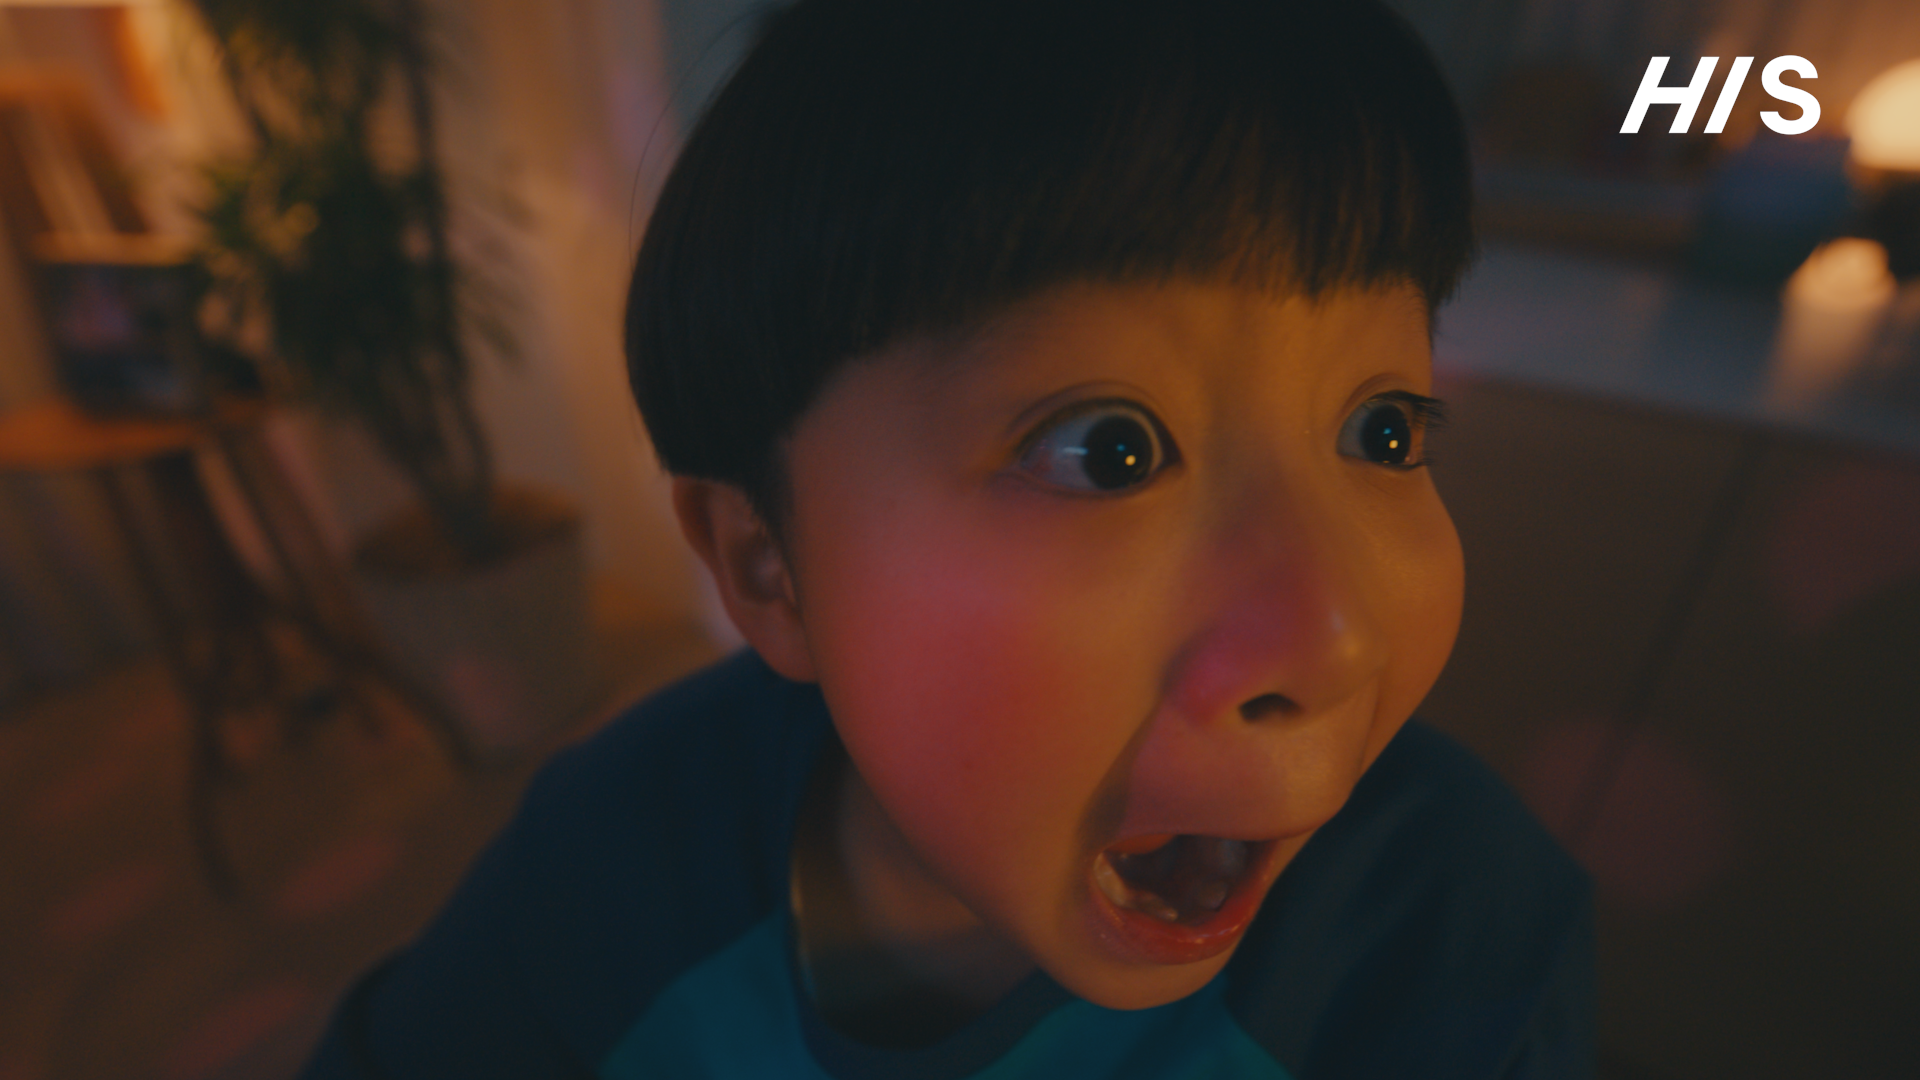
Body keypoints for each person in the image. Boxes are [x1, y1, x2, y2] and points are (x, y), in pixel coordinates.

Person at [300, 0, 1593, 1075]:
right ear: (768, 565)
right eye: (1108, 450)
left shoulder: (1454, 941)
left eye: (1383, 432)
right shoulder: (608, 876)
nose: (1335, 635)